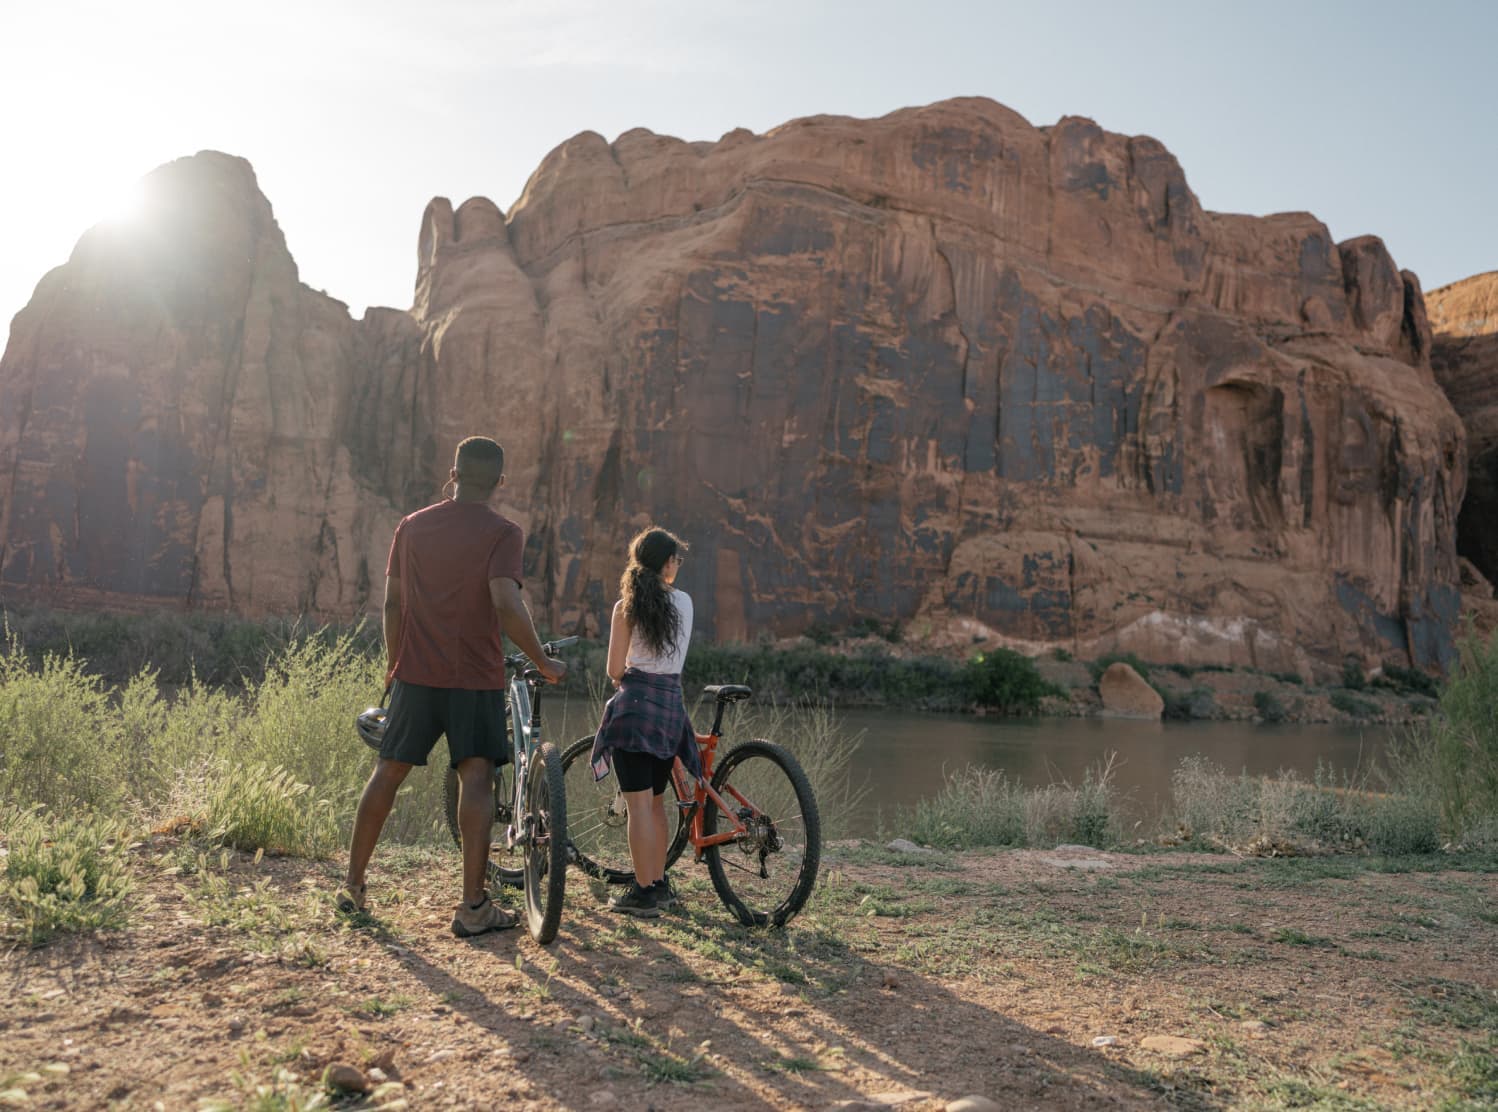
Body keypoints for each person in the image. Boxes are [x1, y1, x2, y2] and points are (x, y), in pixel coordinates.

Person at [337, 436, 565, 937]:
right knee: (477, 777)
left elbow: (393, 605)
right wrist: (542, 660)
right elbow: (505, 601)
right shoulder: (504, 533)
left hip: (416, 675)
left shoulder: (412, 527)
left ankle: (352, 885)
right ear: (500, 482)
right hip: (474, 677)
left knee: (387, 773)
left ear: (454, 472)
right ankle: (472, 907)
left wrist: (395, 664)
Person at [589, 527, 701, 918]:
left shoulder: (626, 608)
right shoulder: (685, 603)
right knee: (655, 804)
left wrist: (629, 680)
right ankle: (659, 886)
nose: (678, 566)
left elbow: (614, 670)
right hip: (671, 710)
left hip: (636, 709)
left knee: (637, 807)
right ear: (667, 563)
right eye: (676, 560)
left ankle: (642, 891)